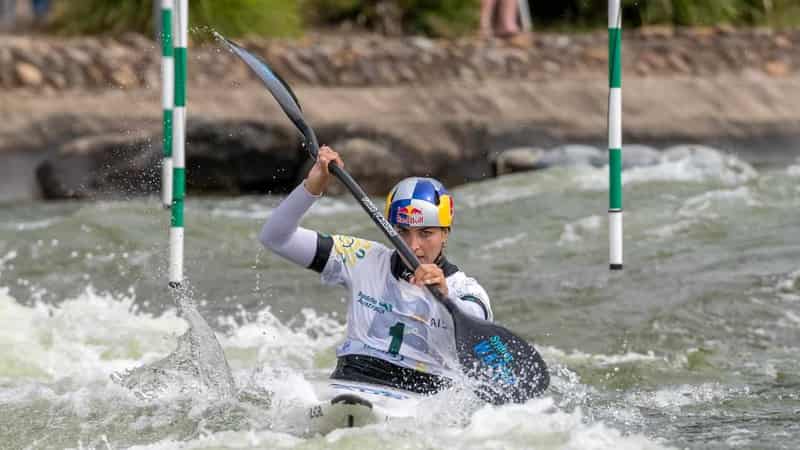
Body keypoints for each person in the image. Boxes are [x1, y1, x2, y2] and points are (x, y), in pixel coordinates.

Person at [259, 146, 493, 394]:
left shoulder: (465, 290)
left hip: (418, 398)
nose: (413, 246)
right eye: (402, 232)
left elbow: (480, 334)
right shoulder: (361, 258)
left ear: (445, 233)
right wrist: (311, 187)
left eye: (426, 233)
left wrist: (445, 297)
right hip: (350, 384)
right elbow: (275, 238)